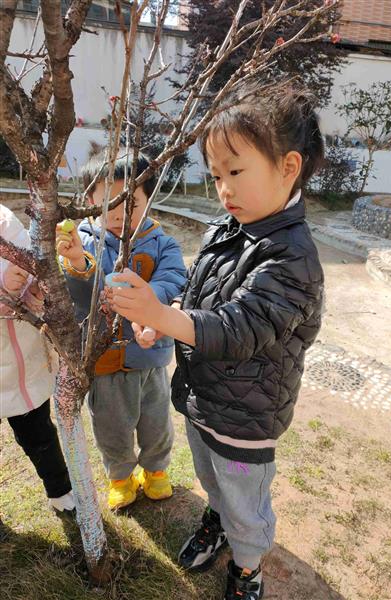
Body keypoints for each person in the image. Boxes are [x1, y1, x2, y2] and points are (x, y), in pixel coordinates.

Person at [110, 83, 324, 599]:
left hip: (246, 418)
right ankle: (216, 517)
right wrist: (164, 320)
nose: (224, 189)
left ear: (288, 167)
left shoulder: (292, 258)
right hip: (203, 397)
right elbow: (198, 296)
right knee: (212, 479)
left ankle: (247, 569)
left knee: (246, 504)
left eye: (236, 172)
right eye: (216, 176)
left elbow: (237, 329)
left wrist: (162, 314)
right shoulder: (226, 228)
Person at [55, 147, 186, 510]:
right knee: (111, 427)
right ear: (90, 200)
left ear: (149, 200)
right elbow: (81, 294)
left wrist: (148, 306)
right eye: (108, 203)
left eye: (132, 203)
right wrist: (78, 261)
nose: (118, 214)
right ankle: (120, 477)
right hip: (105, 360)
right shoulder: (85, 242)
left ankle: (156, 471)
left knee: (156, 423)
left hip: (150, 356)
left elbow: (174, 278)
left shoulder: (161, 242)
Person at [0, 204, 75, 514]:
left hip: (22, 362)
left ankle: (61, 491)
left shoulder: (4, 219)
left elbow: (31, 266)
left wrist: (34, 289)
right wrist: (4, 286)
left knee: (39, 433)